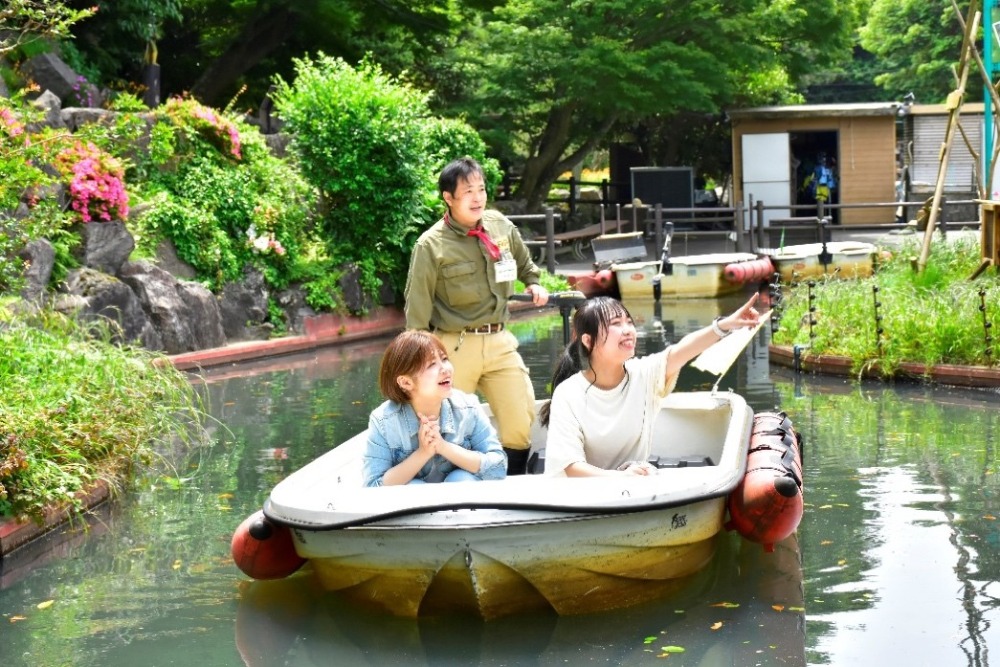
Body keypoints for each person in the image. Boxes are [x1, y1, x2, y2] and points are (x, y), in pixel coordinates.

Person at [404, 157, 549, 475]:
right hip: (454, 348)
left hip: (500, 341)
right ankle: (448, 495)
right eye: (468, 191)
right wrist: (419, 362)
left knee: (519, 418)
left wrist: (534, 282)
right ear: (448, 197)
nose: (477, 197)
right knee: (448, 424)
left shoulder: (499, 225)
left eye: (481, 189)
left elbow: (524, 263)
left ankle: (510, 489)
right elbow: (417, 311)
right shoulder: (431, 245)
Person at [540, 294, 761, 477]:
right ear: (588, 341)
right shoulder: (569, 393)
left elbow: (682, 350)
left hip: (633, 492)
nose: (628, 330)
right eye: (616, 324)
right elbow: (571, 468)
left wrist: (726, 325)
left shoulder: (643, 374)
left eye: (629, 322)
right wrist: (621, 478)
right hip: (583, 501)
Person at [362, 330, 507, 487]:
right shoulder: (383, 422)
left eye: (444, 359)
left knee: (459, 479)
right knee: (413, 487)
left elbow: (498, 468)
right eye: (432, 364)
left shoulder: (468, 407)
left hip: (460, 506)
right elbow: (372, 488)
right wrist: (423, 453)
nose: (445, 369)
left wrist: (443, 447)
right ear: (406, 383)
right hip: (412, 508)